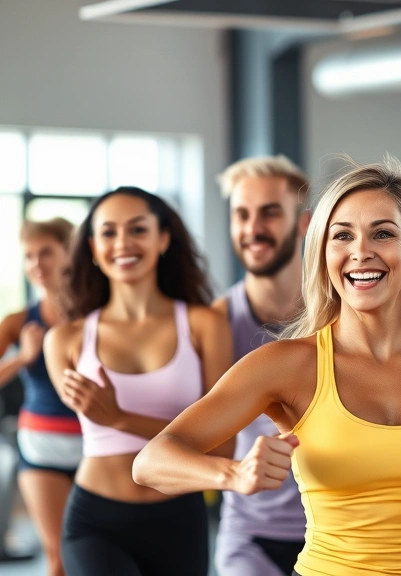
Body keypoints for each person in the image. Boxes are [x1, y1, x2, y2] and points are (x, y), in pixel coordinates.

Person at [132, 157, 401, 576]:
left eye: (382, 234)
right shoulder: (286, 365)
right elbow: (152, 461)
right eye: (342, 236)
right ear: (323, 253)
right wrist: (235, 474)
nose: (360, 252)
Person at [42, 187, 233, 576]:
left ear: (163, 239)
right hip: (96, 519)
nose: (123, 243)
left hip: (181, 517)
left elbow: (223, 446)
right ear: (93, 248)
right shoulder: (66, 340)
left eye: (137, 229)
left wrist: (119, 418)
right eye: (108, 232)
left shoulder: (204, 325)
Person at [212, 156, 311, 576]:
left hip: (342, 531)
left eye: (270, 212)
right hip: (249, 533)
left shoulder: (348, 311)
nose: (253, 228)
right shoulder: (214, 323)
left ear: (304, 223)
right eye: (242, 214)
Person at [0, 218, 80, 576]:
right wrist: (22, 357)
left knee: (96, 555)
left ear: (69, 253)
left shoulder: (100, 315)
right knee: (58, 556)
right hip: (40, 448)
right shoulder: (19, 320)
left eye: (46, 252)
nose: (36, 264)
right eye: (29, 255)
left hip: (99, 447)